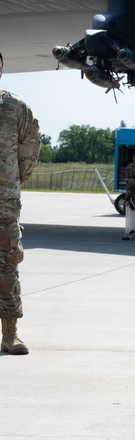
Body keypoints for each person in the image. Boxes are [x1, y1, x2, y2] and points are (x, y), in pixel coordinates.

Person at [0, 51, 41, 356]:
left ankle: (10, 335)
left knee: (7, 265)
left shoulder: (14, 106)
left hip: (4, 201)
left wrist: (15, 179)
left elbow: (32, 142)